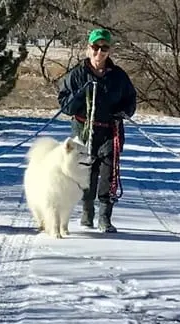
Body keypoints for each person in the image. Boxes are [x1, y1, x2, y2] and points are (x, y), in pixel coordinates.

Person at [57, 28, 136, 233]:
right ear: (88, 48)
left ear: (109, 51)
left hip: (110, 130)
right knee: (86, 172)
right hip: (83, 129)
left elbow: (130, 100)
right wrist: (78, 98)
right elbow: (64, 104)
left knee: (109, 173)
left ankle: (105, 217)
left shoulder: (118, 76)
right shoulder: (77, 75)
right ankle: (87, 212)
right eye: (95, 47)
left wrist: (123, 112)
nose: (99, 52)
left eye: (104, 48)